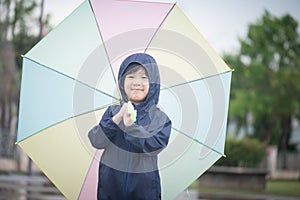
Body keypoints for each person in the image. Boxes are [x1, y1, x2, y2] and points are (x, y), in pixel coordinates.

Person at [88, 53, 172, 200]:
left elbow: (155, 145)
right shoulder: (112, 112)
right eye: (131, 77)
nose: (137, 83)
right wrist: (116, 119)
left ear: (153, 84)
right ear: (122, 82)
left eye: (144, 78)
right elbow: (97, 140)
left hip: (144, 191)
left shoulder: (159, 118)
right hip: (110, 187)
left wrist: (130, 126)